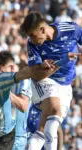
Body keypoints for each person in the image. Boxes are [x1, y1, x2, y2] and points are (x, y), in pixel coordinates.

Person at [20, 11, 82, 150]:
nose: (31, 39)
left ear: (42, 29)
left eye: (32, 35)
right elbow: (37, 75)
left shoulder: (71, 30)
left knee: (48, 127)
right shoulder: (32, 44)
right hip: (45, 81)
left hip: (65, 85)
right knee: (54, 109)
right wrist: (62, 60)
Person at [0, 51, 32, 150]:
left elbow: (23, 105)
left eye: (0, 72)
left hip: (17, 139)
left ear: (12, 67)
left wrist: (1, 90)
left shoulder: (24, 81)